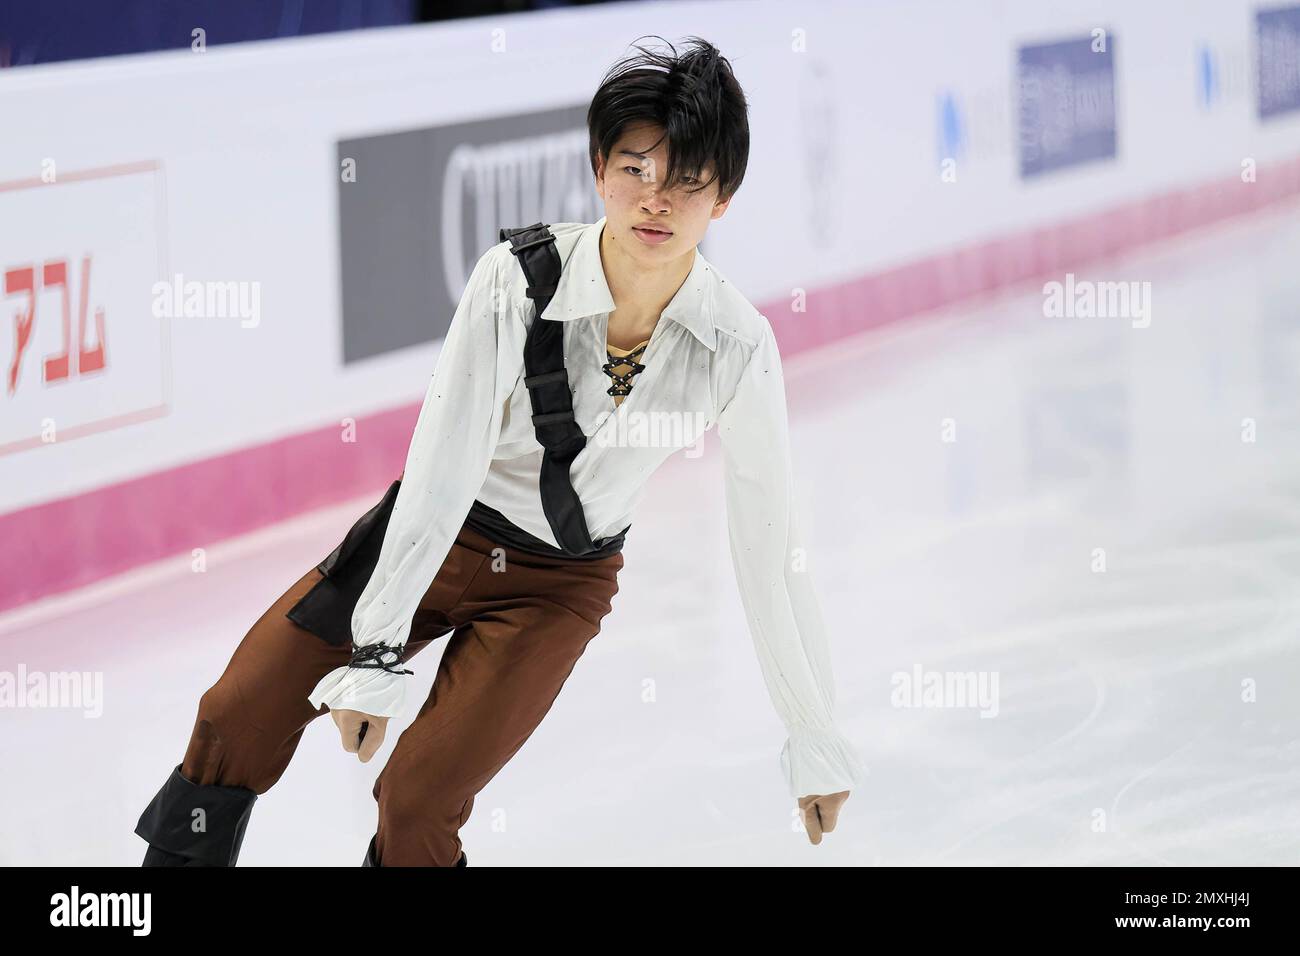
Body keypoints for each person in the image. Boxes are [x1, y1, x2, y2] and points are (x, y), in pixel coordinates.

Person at [134, 34, 864, 867]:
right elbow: (442, 467)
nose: (656, 201)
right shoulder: (516, 281)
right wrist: (376, 646)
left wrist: (813, 733)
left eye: (688, 182)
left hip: (555, 588)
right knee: (236, 712)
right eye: (636, 170)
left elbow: (770, 549)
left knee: (416, 805)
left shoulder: (736, 345)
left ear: (723, 199)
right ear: (599, 168)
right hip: (436, 532)